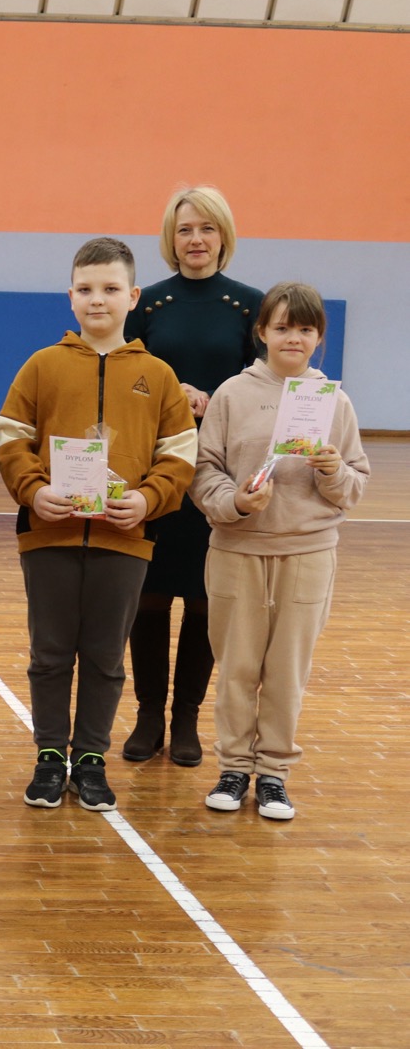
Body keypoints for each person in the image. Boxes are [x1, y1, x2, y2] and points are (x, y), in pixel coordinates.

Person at [0, 238, 196, 812]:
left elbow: (180, 454)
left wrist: (147, 500)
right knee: (50, 653)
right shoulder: (42, 364)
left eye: (110, 289)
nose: (97, 300)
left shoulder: (157, 375)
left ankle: (90, 759)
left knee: (107, 658)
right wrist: (35, 490)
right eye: (85, 289)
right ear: (70, 296)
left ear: (133, 297)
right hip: (49, 536)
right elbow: (9, 438)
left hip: (124, 539)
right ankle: (49, 757)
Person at [193, 283, 368, 820]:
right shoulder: (231, 394)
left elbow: (354, 486)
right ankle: (233, 768)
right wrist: (236, 503)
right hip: (237, 551)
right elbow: (203, 472)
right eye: (283, 327)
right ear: (262, 332)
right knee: (237, 668)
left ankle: (273, 774)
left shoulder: (335, 402)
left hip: (308, 554)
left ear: (319, 337)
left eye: (305, 329)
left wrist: (333, 471)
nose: (294, 337)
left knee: (288, 672)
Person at [122, 186, 264, 766]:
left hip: (218, 473)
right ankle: (148, 716)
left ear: (223, 235)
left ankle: (186, 720)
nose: (196, 239)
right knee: (149, 597)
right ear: (170, 238)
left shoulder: (250, 305)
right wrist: (165, 396)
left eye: (207, 228)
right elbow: (124, 383)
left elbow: (263, 387)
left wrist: (217, 398)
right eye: (185, 229)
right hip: (154, 470)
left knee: (206, 601)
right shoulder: (147, 304)